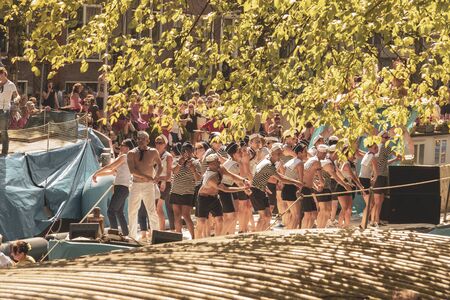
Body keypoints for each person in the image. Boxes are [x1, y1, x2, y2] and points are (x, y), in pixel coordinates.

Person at [250, 143, 303, 232]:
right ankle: (256, 236)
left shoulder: (268, 162)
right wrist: (296, 182)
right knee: (264, 216)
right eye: (278, 154)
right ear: (272, 154)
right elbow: (281, 178)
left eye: (280, 154)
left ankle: (261, 234)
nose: (280, 156)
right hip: (256, 190)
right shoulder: (268, 165)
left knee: (268, 216)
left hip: (262, 189)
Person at [196, 154, 249, 239]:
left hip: (214, 197)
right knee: (201, 222)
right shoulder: (210, 178)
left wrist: (244, 180)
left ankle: (218, 239)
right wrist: (242, 188)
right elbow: (225, 189)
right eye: (215, 163)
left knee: (220, 220)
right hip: (203, 198)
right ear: (209, 165)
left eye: (218, 161)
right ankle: (196, 241)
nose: (218, 164)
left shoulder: (220, 168)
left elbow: (231, 175)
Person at [92, 139, 134, 236]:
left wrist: (96, 173)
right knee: (119, 212)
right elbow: (112, 172)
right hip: (124, 189)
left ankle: (114, 234)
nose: (120, 146)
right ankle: (126, 234)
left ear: (127, 148)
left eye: (122, 144)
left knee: (111, 211)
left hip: (121, 188)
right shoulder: (126, 159)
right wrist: (97, 175)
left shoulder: (124, 156)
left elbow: (110, 167)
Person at [127, 131, 162, 240]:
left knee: (151, 211)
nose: (141, 140)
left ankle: (156, 236)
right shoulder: (131, 153)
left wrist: (157, 176)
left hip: (148, 185)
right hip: (136, 184)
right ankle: (132, 236)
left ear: (148, 140)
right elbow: (132, 171)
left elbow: (160, 166)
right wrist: (146, 177)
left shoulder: (153, 152)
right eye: (139, 138)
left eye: (143, 139)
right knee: (132, 211)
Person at [170, 142, 201, 238]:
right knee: (177, 215)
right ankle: (178, 237)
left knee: (186, 215)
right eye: (184, 150)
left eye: (188, 150)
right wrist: (180, 163)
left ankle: (193, 237)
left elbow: (198, 178)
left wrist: (193, 169)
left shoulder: (196, 162)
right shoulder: (176, 160)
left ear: (192, 152)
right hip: (175, 191)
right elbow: (174, 172)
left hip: (188, 192)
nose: (186, 153)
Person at [281, 142, 307, 229]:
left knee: (294, 214)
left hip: (286, 188)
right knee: (297, 215)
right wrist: (300, 191)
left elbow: (283, 172)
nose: (306, 153)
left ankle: (289, 232)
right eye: (305, 151)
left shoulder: (291, 161)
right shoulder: (300, 163)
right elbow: (301, 180)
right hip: (292, 189)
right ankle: (291, 234)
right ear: (299, 153)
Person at [302, 144, 328, 229]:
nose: (325, 155)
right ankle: (302, 232)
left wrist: (315, 186)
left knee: (313, 213)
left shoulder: (312, 159)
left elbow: (308, 175)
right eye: (325, 153)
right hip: (305, 189)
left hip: (308, 188)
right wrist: (321, 185)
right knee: (308, 214)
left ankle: (307, 231)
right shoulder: (317, 162)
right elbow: (322, 180)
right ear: (321, 153)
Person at [336, 149, 364, 228]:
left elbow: (356, 177)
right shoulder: (346, 163)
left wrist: (359, 186)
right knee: (344, 208)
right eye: (352, 154)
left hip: (351, 187)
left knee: (349, 208)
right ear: (347, 155)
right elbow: (353, 176)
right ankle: (339, 225)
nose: (354, 155)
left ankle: (346, 225)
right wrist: (361, 187)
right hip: (342, 186)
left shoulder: (353, 164)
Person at [154, 134, 174, 231]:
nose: (158, 144)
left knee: (159, 207)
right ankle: (158, 229)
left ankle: (161, 230)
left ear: (165, 144)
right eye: (156, 142)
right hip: (157, 183)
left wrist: (160, 179)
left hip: (165, 183)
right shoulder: (155, 155)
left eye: (160, 143)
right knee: (156, 208)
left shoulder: (168, 156)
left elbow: (169, 175)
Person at [358, 142, 378, 228]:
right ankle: (363, 224)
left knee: (371, 204)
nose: (377, 149)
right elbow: (376, 172)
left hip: (363, 179)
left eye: (377, 147)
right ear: (370, 148)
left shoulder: (367, 154)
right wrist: (374, 180)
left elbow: (358, 151)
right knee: (370, 204)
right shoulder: (372, 156)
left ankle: (364, 223)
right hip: (364, 180)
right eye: (375, 147)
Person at [0, 67, 18, 155]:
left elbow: (16, 95)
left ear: (5, 74)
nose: (0, 76)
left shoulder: (11, 85)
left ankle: (4, 152)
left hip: (4, 110)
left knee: (3, 131)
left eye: (1, 74)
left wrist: (16, 99)